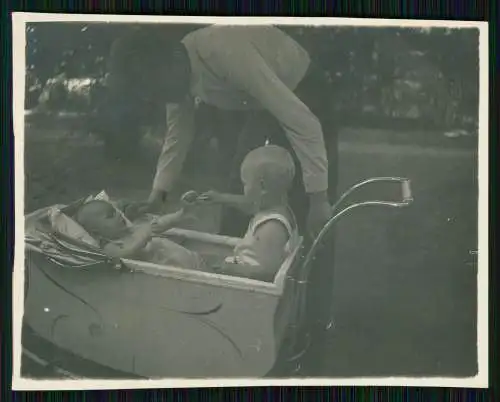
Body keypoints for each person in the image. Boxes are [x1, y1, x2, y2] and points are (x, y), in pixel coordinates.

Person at [106, 24, 338, 374]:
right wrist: (158, 197)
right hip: (258, 106)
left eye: (153, 87)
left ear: (167, 63)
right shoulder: (173, 76)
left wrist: (319, 198)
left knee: (303, 219)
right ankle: (237, 317)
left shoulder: (224, 50)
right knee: (243, 196)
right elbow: (178, 134)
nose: (156, 97)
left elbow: (301, 120)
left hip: (303, 94)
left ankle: (307, 329)